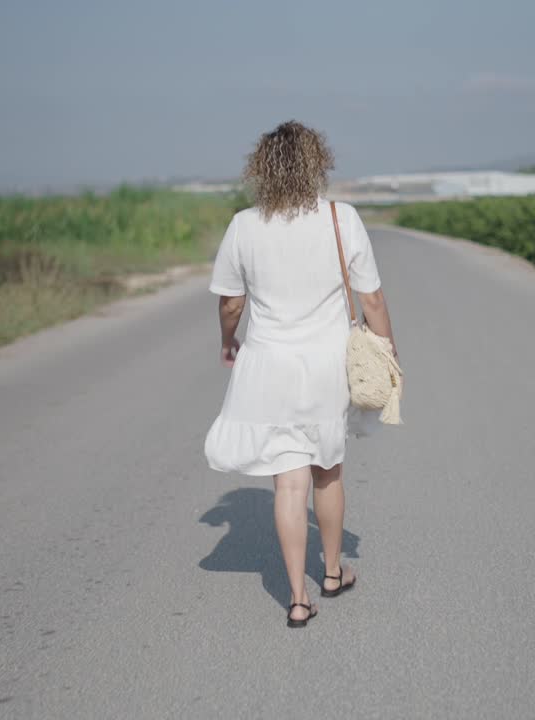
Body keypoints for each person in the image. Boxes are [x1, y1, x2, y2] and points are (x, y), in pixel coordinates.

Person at [204, 121, 398, 628]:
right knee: (327, 473)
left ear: (261, 169)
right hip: (325, 366)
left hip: (268, 366)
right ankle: (332, 574)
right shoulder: (341, 218)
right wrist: (388, 351)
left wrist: (229, 340)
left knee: (288, 484)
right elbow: (371, 298)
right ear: (318, 163)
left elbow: (231, 303)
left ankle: (296, 597)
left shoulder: (243, 225)